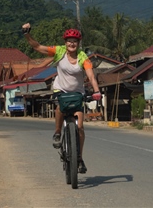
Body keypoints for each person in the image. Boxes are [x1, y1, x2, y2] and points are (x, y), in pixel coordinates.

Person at [22, 22, 101, 173]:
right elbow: (38, 47)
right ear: (65, 43)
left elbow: (91, 76)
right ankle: (58, 132)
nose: (72, 43)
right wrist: (27, 34)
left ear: (78, 43)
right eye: (69, 41)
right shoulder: (59, 51)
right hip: (61, 90)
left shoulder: (83, 57)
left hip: (78, 92)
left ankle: (79, 158)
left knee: (80, 127)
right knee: (59, 107)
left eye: (75, 41)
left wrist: (96, 91)